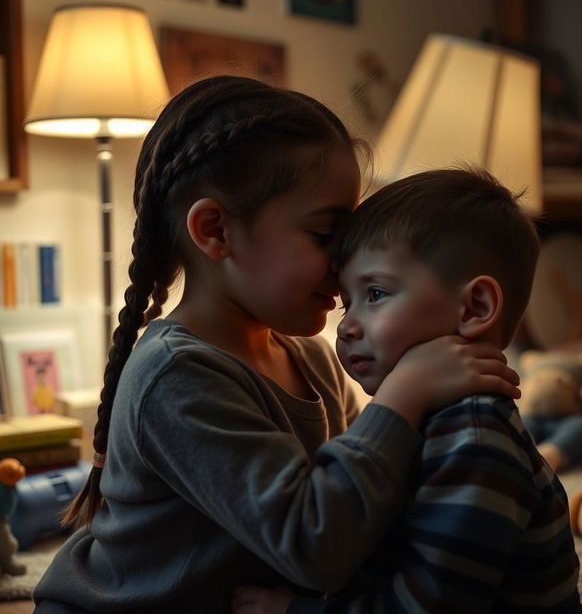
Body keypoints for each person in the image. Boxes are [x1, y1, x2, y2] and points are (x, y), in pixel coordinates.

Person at [32, 78, 519, 613]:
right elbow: (317, 546)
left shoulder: (309, 359)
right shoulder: (175, 375)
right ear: (216, 230)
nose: (343, 261)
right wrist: (403, 394)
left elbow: (365, 494)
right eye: (322, 234)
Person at [231, 169, 582, 614]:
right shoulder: (413, 419)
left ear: (475, 308)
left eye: (376, 293)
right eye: (347, 301)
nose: (347, 326)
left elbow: (426, 607)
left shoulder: (475, 441)